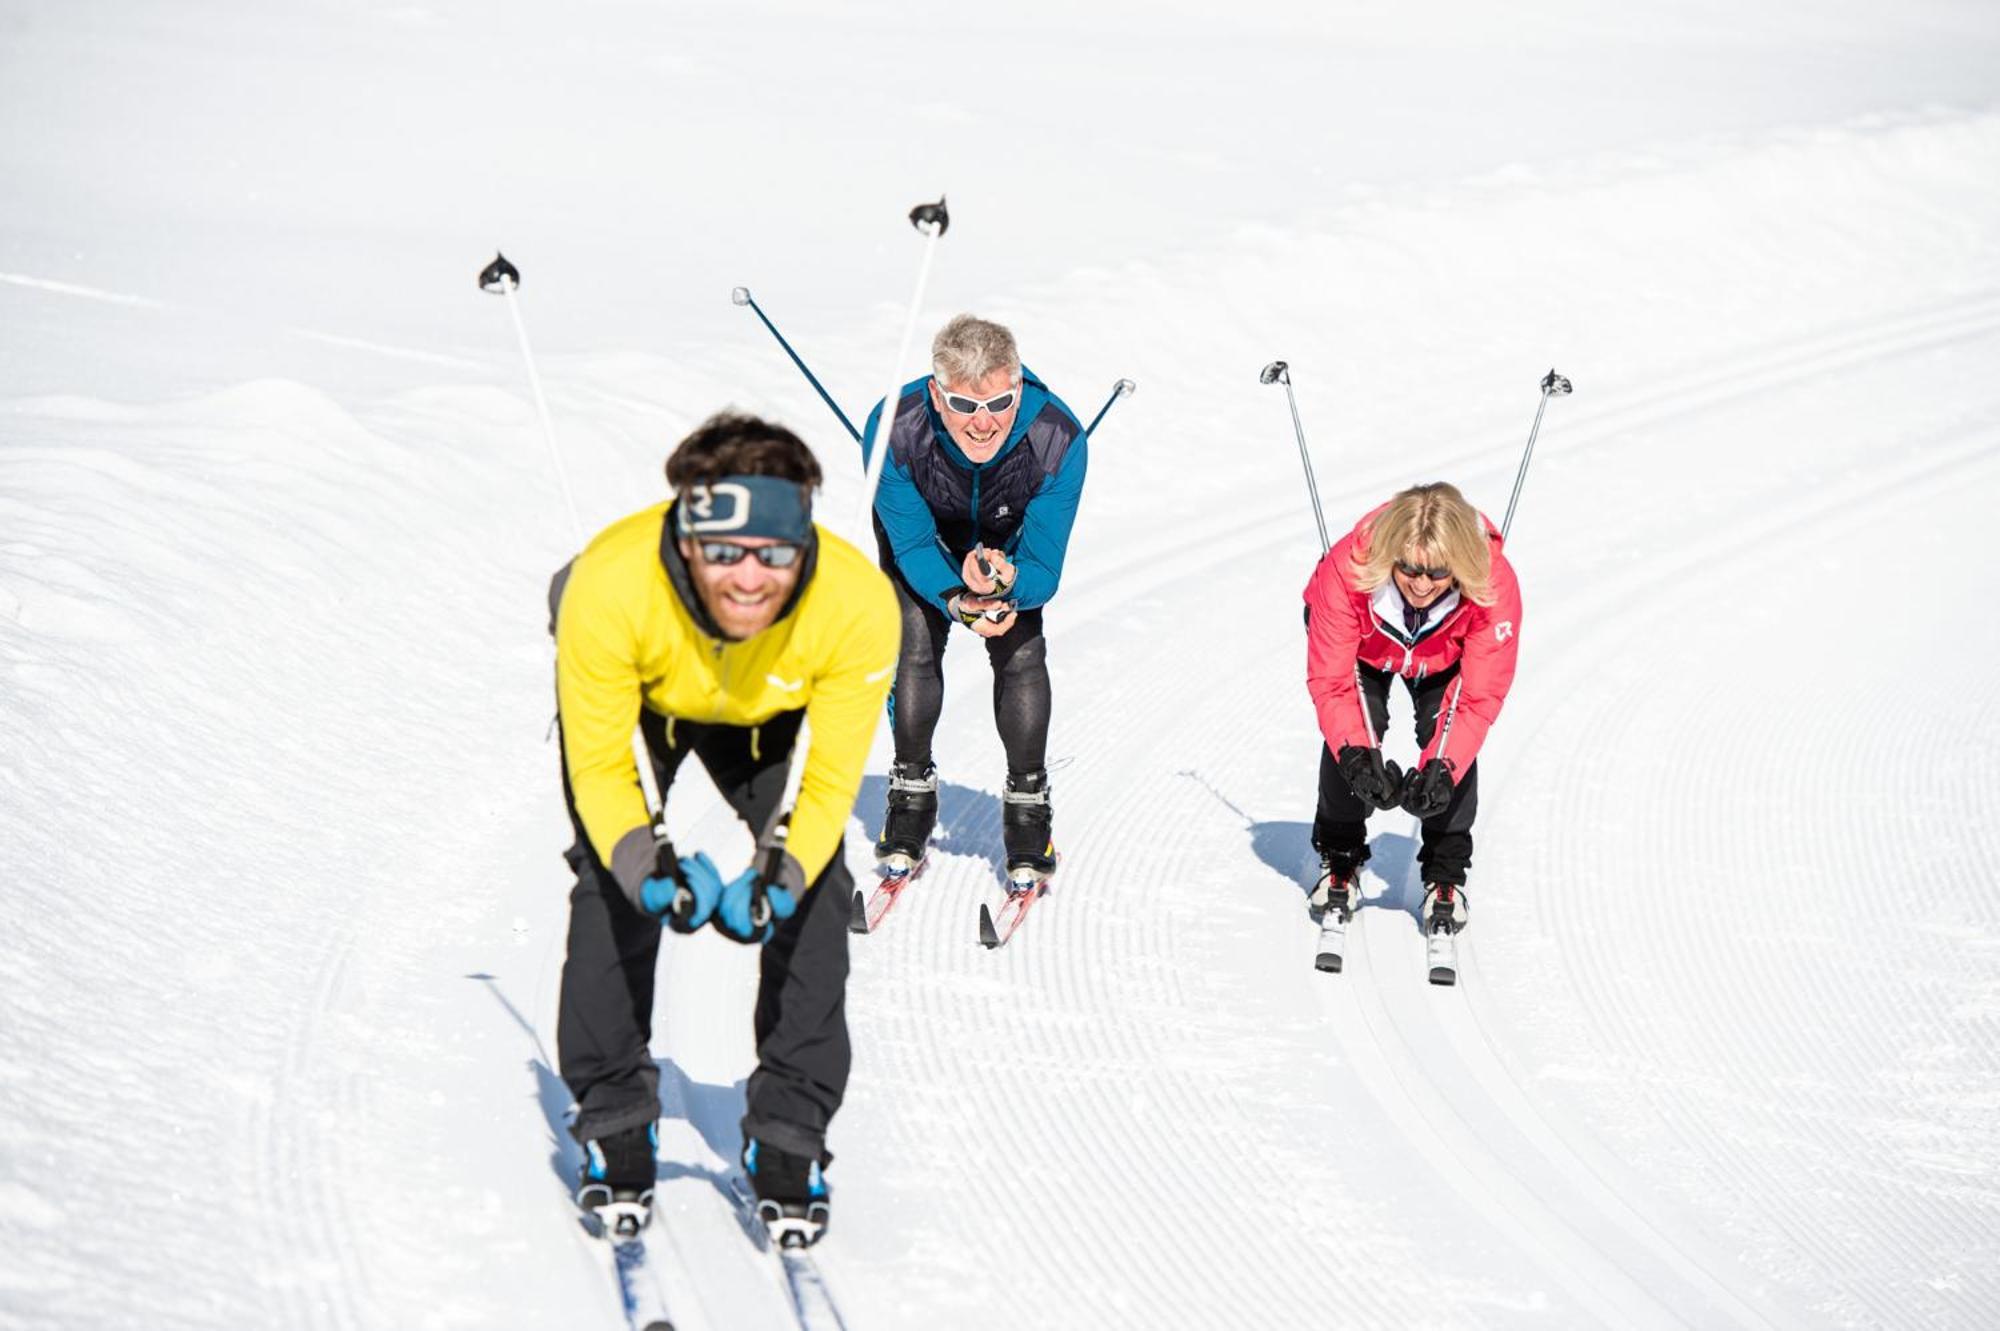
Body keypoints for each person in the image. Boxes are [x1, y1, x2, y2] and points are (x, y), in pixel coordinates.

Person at [549, 411, 898, 1244]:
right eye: (723, 553)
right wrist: (650, 872)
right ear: (685, 537)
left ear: (803, 545)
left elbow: (827, 782)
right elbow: (600, 771)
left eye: (774, 554)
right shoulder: (607, 586)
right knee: (609, 880)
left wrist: (779, 878)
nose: (750, 578)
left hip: (772, 715)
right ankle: (614, 1110)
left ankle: (789, 1128)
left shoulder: (856, 604)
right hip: (651, 703)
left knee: (817, 892)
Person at [860, 314, 1088, 892]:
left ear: (1017, 384)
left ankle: (1028, 803)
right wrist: (955, 597)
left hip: (1007, 545)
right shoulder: (892, 428)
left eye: (998, 403)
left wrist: (1008, 584)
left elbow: (1043, 566)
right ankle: (910, 793)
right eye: (963, 406)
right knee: (912, 646)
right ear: (937, 396)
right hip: (925, 543)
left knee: (1021, 653)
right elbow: (909, 540)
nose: (982, 423)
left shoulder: (1058, 438)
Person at [1303, 481, 1522, 934]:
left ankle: (1445, 874)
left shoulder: (1493, 586)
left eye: (1438, 574)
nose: (1421, 585)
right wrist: (1356, 759)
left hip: (1446, 654)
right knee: (1356, 732)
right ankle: (1339, 855)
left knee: (1447, 736)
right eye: (1408, 570)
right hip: (1366, 647)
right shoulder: (1346, 570)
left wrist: (1443, 769)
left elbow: (1478, 698)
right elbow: (1332, 682)